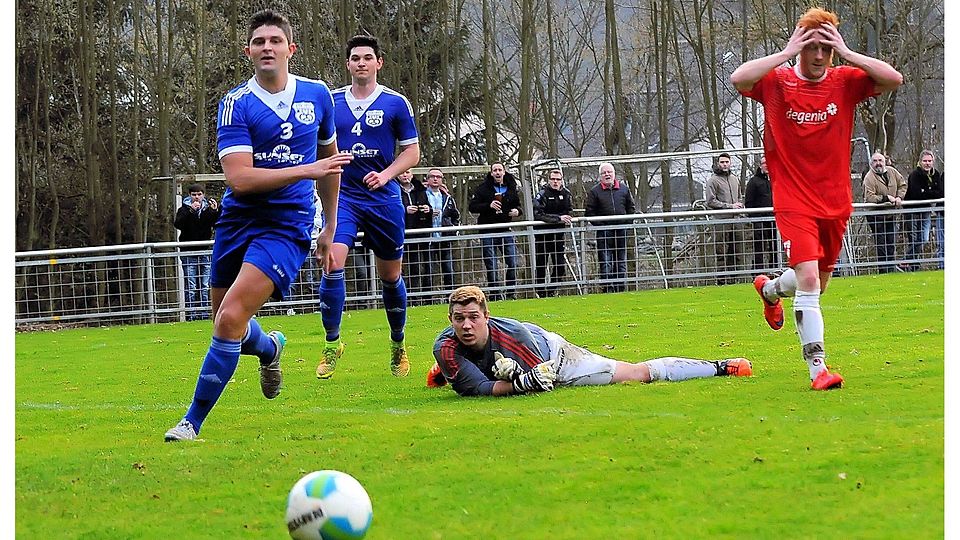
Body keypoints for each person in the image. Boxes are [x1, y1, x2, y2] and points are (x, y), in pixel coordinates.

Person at [165, 9, 352, 441]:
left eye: (275, 40)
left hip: (288, 225)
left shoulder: (318, 95)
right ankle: (269, 348)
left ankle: (191, 423)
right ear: (248, 51)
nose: (267, 47)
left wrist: (330, 227)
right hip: (238, 218)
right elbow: (240, 178)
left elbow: (331, 166)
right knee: (223, 321)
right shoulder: (236, 103)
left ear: (291, 48)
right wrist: (308, 170)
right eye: (259, 41)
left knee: (230, 318)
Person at [731, 7, 902, 390]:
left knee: (819, 284)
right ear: (801, 47)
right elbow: (738, 77)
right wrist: (788, 50)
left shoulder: (843, 82)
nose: (820, 56)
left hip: (835, 200)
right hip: (793, 198)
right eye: (813, 47)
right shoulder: (776, 82)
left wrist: (848, 51)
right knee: (809, 278)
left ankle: (771, 289)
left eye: (826, 48)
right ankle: (818, 368)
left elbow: (893, 78)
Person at [316, 35, 421, 379]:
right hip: (343, 196)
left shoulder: (395, 103)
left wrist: (388, 174)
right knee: (332, 261)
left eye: (367, 58)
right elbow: (316, 145)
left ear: (379, 63)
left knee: (390, 276)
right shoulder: (330, 102)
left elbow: (412, 152)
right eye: (355, 58)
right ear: (347, 64)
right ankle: (332, 344)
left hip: (383, 198)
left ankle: (398, 344)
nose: (361, 63)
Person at [424, 286, 753, 396]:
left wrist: (521, 381)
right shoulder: (446, 346)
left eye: (473, 317)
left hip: (555, 357)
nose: (466, 325)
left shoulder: (515, 337)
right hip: (511, 365)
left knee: (637, 373)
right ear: (450, 319)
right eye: (458, 318)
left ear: (486, 315)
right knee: (476, 380)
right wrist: (514, 382)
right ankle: (450, 371)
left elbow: (543, 378)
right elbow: (481, 390)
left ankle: (720, 366)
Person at [469, 163, 522, 300]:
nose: (497, 172)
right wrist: (488, 205)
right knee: (491, 264)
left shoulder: (511, 187)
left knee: (513, 262)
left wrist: (517, 211)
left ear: (504, 172)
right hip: (488, 230)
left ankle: (511, 293)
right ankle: (495, 294)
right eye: (495, 170)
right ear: (491, 173)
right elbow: (473, 207)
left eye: (500, 170)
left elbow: (518, 206)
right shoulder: (483, 189)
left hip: (505, 229)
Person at [584, 162, 635, 293]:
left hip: (621, 231)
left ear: (614, 174)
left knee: (621, 261)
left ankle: (620, 288)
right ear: (600, 176)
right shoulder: (594, 191)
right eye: (604, 173)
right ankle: (608, 289)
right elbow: (590, 213)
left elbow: (631, 209)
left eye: (609, 172)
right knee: (605, 261)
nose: (607, 174)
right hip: (604, 232)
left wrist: (626, 223)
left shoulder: (624, 189)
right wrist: (602, 226)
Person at [174, 183, 221, 320]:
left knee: (205, 285)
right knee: (192, 285)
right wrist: (191, 212)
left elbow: (214, 224)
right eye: (194, 195)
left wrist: (214, 211)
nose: (196, 197)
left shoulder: (207, 208)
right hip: (189, 252)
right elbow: (178, 224)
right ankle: (192, 315)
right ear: (189, 195)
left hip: (205, 251)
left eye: (199, 194)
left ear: (203, 195)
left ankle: (205, 314)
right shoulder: (184, 209)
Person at [861, 151, 905, 273]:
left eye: (880, 161)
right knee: (881, 244)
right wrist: (886, 198)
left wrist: (899, 197)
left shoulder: (892, 172)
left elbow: (903, 185)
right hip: (876, 215)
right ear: (871, 164)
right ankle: (883, 270)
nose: (878, 163)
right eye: (875, 161)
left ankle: (890, 270)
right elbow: (869, 197)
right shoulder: (869, 178)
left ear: (885, 162)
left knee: (890, 242)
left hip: (890, 214)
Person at [532, 169, 573, 298]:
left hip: (558, 235)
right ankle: (540, 292)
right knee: (541, 265)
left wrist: (566, 218)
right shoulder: (542, 194)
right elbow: (538, 214)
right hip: (542, 236)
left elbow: (570, 211)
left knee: (560, 266)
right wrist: (558, 219)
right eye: (553, 179)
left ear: (562, 180)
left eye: (558, 179)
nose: (555, 182)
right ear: (549, 180)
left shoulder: (566, 194)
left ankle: (551, 290)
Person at [706, 152, 745, 285]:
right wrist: (729, 206)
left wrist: (739, 205)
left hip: (736, 220)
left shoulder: (735, 179)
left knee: (736, 251)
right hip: (721, 221)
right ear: (718, 163)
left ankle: (734, 280)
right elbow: (710, 201)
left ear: (730, 163)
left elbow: (740, 196)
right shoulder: (713, 180)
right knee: (721, 251)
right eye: (722, 162)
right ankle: (721, 281)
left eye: (727, 162)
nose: (724, 164)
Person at [904, 150, 945, 270]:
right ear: (920, 162)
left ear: (933, 161)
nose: (927, 163)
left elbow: (940, 193)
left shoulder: (936, 174)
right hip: (911, 211)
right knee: (914, 238)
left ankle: (906, 261)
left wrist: (925, 192)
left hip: (926, 210)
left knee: (923, 238)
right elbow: (917, 194)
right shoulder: (914, 175)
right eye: (925, 161)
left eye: (929, 161)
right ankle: (912, 265)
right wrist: (931, 193)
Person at [425, 168, 461, 293]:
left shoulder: (447, 198)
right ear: (427, 179)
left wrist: (453, 231)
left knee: (448, 270)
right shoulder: (422, 196)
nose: (435, 179)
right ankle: (427, 300)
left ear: (442, 180)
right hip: (428, 239)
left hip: (444, 239)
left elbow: (456, 216)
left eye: (438, 177)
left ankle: (450, 297)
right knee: (428, 270)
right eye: (432, 176)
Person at [398, 169, 432, 299]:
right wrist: (405, 210)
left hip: (421, 233)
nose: (405, 175)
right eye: (402, 172)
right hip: (404, 233)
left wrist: (427, 209)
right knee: (408, 268)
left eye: (407, 172)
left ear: (412, 175)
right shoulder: (394, 190)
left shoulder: (421, 190)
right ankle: (409, 296)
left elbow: (428, 209)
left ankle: (423, 298)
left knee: (424, 267)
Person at [744, 156, 777, 271]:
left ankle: (775, 270)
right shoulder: (754, 182)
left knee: (775, 246)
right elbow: (748, 202)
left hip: (774, 220)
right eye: (764, 163)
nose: (767, 165)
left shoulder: (776, 180)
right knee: (759, 247)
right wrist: (755, 219)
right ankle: (758, 272)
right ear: (760, 165)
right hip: (760, 220)